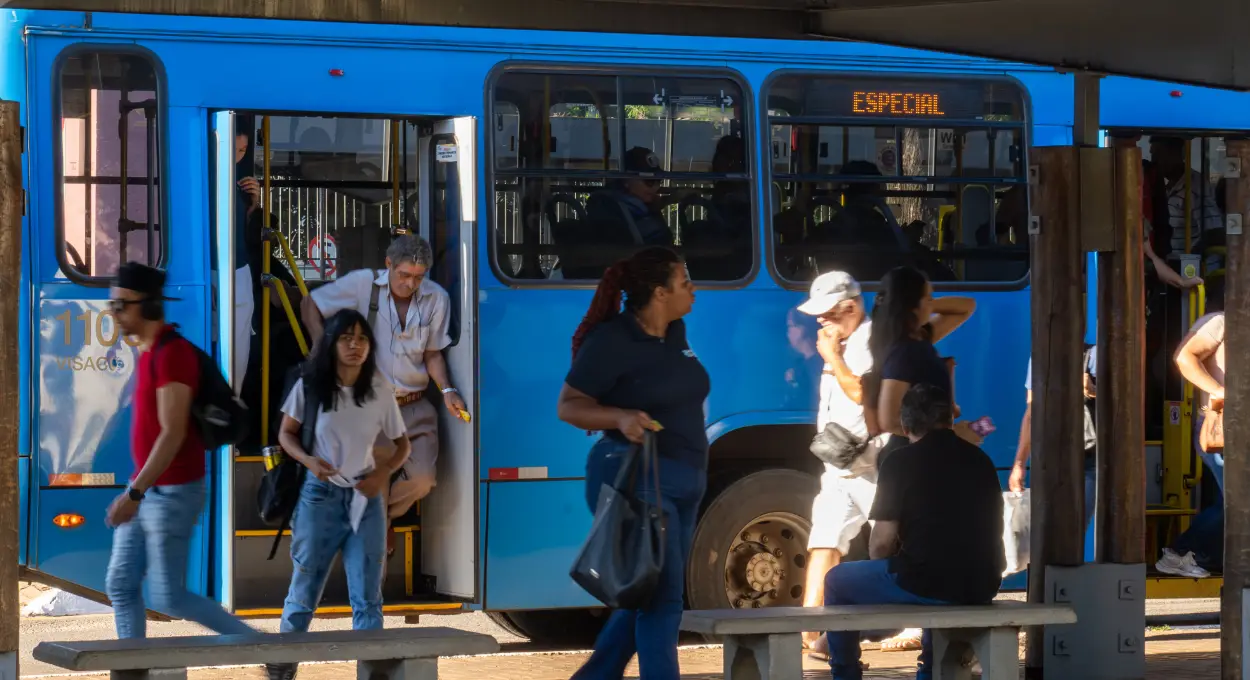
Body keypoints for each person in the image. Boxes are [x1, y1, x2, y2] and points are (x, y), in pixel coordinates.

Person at [557, 246, 708, 680]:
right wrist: (620, 417)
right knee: (663, 601)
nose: (693, 290)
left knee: (645, 586)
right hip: (638, 477)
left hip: (684, 481)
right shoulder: (613, 340)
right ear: (660, 292)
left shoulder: (675, 333)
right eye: (685, 283)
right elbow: (569, 406)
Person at [103, 262, 257, 639]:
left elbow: (172, 433)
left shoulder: (173, 355)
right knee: (122, 585)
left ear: (150, 305)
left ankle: (258, 646)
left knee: (169, 596)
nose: (116, 316)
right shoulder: (152, 351)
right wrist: (137, 491)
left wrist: (134, 493)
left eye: (122, 306)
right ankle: (134, 671)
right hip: (148, 490)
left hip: (170, 493)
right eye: (113, 307)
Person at [823, 383, 1005, 680]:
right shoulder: (980, 460)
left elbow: (880, 545)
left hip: (927, 583)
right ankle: (930, 671)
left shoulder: (900, 462)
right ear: (949, 420)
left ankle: (845, 672)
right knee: (937, 570)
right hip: (983, 583)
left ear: (905, 425)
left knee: (836, 581)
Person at [266, 310, 410, 680]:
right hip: (320, 496)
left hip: (367, 499)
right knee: (304, 591)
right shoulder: (310, 385)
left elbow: (402, 445)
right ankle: (283, 670)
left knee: (368, 598)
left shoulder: (378, 388)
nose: (354, 345)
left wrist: (383, 473)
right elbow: (286, 434)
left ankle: (370, 674)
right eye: (346, 338)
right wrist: (309, 461)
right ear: (331, 343)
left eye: (362, 339)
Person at [301, 235, 466, 551]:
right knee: (373, 481)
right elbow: (310, 303)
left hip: (415, 406)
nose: (410, 283)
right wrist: (321, 349)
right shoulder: (363, 284)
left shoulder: (437, 298)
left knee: (423, 480)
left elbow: (433, 354)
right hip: (370, 408)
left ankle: (380, 520)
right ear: (388, 265)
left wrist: (447, 389)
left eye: (418, 277)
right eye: (404, 275)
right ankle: (373, 536)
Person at [795, 272, 883, 660]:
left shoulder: (869, 340)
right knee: (823, 542)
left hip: (874, 463)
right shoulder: (843, 338)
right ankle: (811, 632)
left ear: (851, 307)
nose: (821, 321)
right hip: (839, 465)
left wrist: (832, 357)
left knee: (888, 545)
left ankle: (909, 621)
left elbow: (864, 393)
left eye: (827, 313)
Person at [867, 266, 978, 465]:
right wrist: (949, 436)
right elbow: (889, 420)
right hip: (914, 459)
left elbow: (967, 307)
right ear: (911, 305)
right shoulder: (903, 353)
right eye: (927, 297)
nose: (932, 302)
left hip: (920, 454)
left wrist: (928, 305)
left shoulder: (920, 337)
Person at [1157, 311, 1226, 578]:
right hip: (1220, 426)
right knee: (1239, 500)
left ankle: (1193, 553)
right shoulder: (1220, 322)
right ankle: (1180, 552)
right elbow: (1184, 357)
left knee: (1231, 501)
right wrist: (1219, 391)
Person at [1009, 348, 1099, 529]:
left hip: (1088, 458)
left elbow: (1122, 405)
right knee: (1047, 528)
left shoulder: (1095, 355)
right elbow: (1032, 411)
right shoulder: (1040, 356)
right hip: (1050, 459)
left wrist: (1094, 391)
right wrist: (1019, 463)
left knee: (1073, 528)